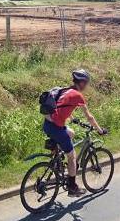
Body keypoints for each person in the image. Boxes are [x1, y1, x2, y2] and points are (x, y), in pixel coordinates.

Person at [43, 69, 106, 197]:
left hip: (47, 124)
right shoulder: (78, 95)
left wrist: (72, 119)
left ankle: (58, 161)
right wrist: (100, 130)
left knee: (71, 133)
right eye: (86, 83)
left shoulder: (66, 90)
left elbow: (62, 106)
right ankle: (72, 188)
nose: (87, 86)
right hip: (56, 128)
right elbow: (89, 117)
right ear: (82, 83)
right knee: (72, 157)